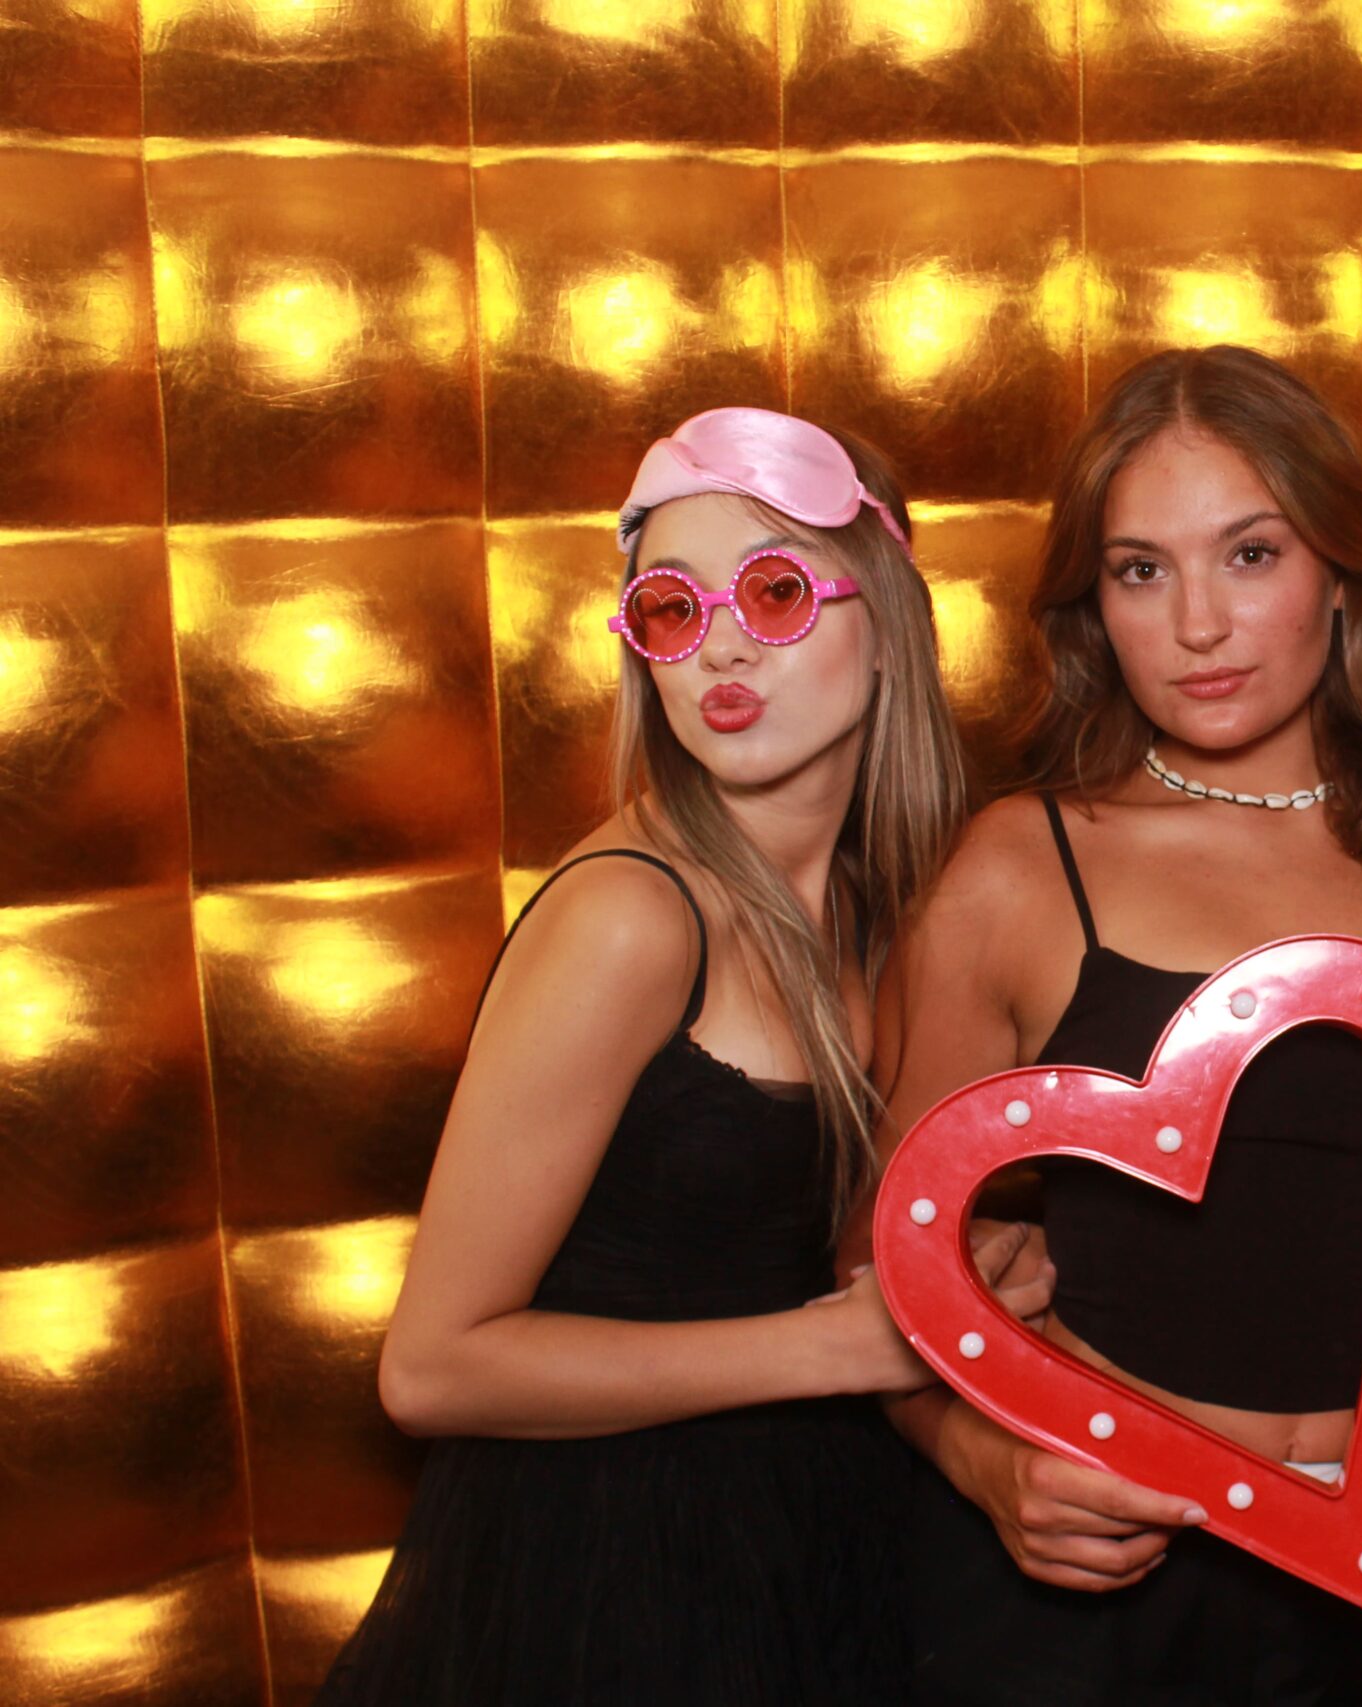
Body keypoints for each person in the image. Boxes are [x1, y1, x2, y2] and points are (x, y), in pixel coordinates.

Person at [317, 407, 1050, 1705]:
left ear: (888, 627)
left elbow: (804, 1240)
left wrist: (969, 1260)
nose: (720, 644)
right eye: (670, 608)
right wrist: (838, 1350)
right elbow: (429, 1368)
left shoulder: (886, 904)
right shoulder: (630, 917)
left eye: (775, 593)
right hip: (606, 1573)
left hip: (813, 1539)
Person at [878, 346, 1362, 1706]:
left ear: (1341, 571)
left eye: (1251, 555)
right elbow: (881, 1258)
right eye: (1142, 571)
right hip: (1109, 1586)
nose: (1198, 624)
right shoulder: (1016, 868)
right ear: (1093, 606)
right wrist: (982, 1461)